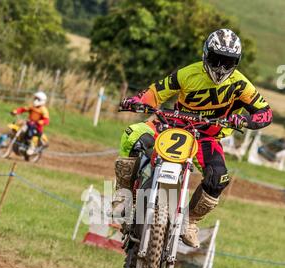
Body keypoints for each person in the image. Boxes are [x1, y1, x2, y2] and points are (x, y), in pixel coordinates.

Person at [115, 28, 273, 247]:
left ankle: (190, 222)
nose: (220, 67)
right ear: (206, 55)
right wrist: (137, 101)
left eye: (227, 62)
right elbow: (156, 91)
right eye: (217, 59)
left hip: (206, 137)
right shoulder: (187, 73)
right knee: (132, 136)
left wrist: (245, 120)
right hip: (171, 125)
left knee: (218, 178)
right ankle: (123, 196)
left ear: (236, 62)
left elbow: (265, 112)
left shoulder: (241, 84)